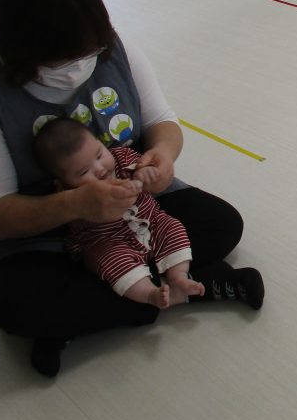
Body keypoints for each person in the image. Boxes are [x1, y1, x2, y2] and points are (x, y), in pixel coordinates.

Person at [0, 0, 264, 377]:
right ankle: (185, 285)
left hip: (134, 208)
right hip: (41, 232)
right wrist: (75, 204)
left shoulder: (112, 47)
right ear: (22, 53)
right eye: (62, 62)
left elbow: (161, 122)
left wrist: (162, 156)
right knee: (18, 305)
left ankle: (88, 315)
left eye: (87, 55)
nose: (78, 69)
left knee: (223, 225)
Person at [33, 117, 204, 309]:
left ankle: (178, 277)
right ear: (62, 183)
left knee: (172, 227)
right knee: (110, 261)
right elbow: (70, 213)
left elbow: (147, 170)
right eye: (83, 172)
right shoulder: (70, 194)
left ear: (101, 143)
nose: (99, 169)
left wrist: (146, 174)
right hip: (109, 242)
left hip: (151, 222)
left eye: (99, 155)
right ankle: (150, 294)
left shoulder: (122, 158)